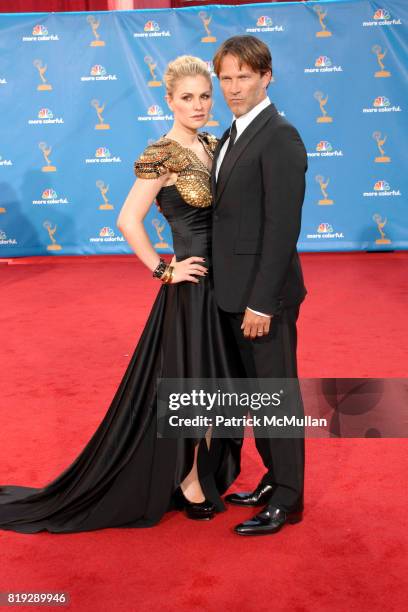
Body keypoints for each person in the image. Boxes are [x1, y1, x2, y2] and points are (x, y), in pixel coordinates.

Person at [0, 56, 242, 534]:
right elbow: (128, 219)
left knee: (220, 381)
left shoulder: (215, 144)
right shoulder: (163, 153)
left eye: (204, 96)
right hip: (191, 287)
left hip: (226, 285)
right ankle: (190, 478)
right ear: (169, 101)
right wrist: (163, 270)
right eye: (187, 97)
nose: (198, 105)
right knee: (193, 384)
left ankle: (206, 468)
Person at [211, 36, 308, 536]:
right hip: (231, 290)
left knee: (277, 395)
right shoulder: (231, 133)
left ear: (266, 76)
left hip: (261, 298)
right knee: (257, 397)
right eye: (225, 77)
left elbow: (282, 227)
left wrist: (262, 303)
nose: (233, 87)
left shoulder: (279, 135)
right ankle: (274, 478)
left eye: (243, 76)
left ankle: (289, 499)